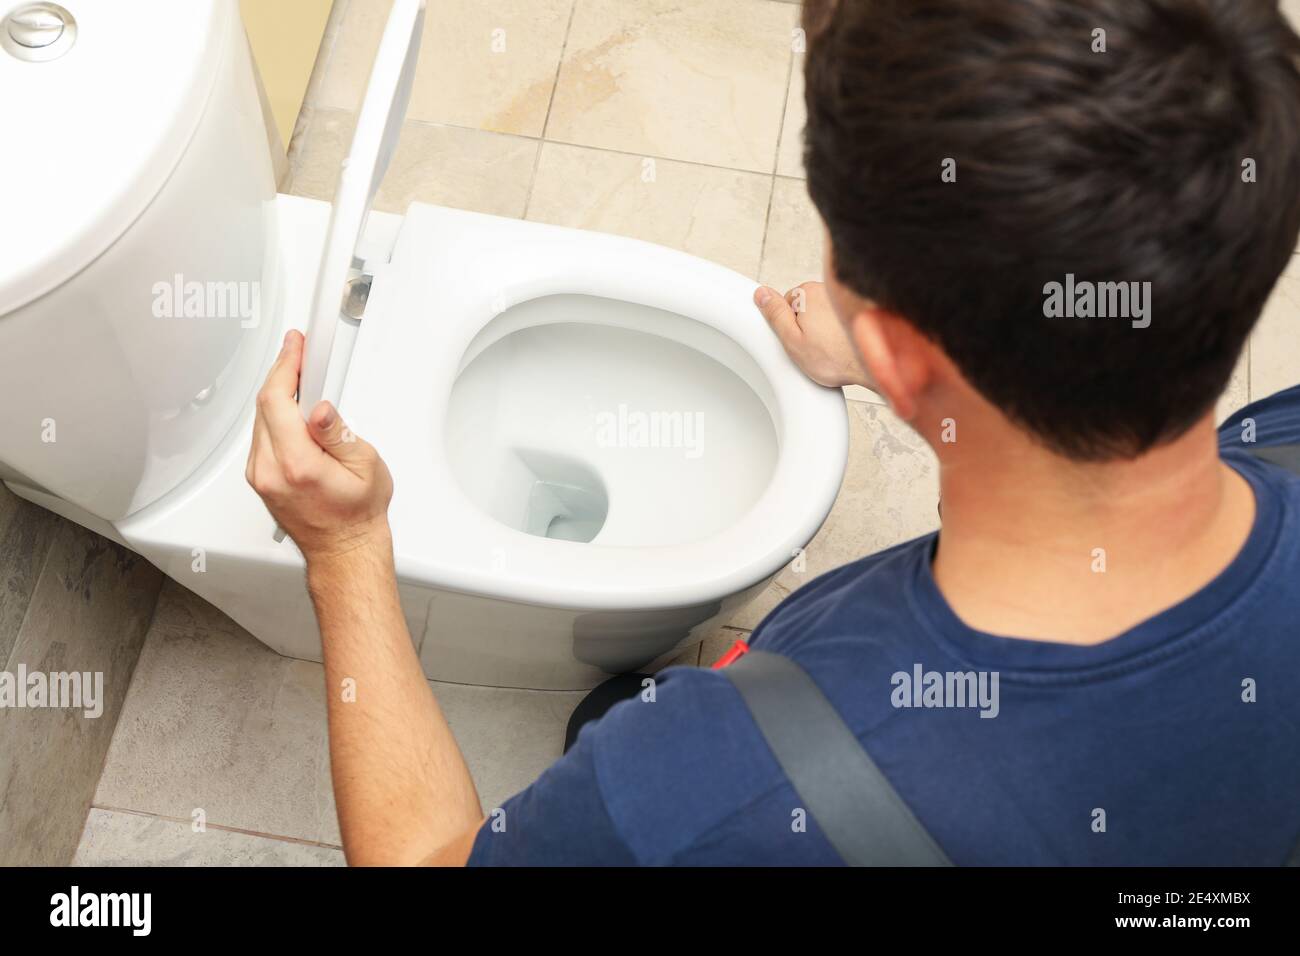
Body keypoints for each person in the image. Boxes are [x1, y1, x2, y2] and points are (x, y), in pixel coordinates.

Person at [246, 0, 1300, 865]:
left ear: (893, 343)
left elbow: (428, 854)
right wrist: (916, 370)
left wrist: (345, 549)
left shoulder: (722, 790)